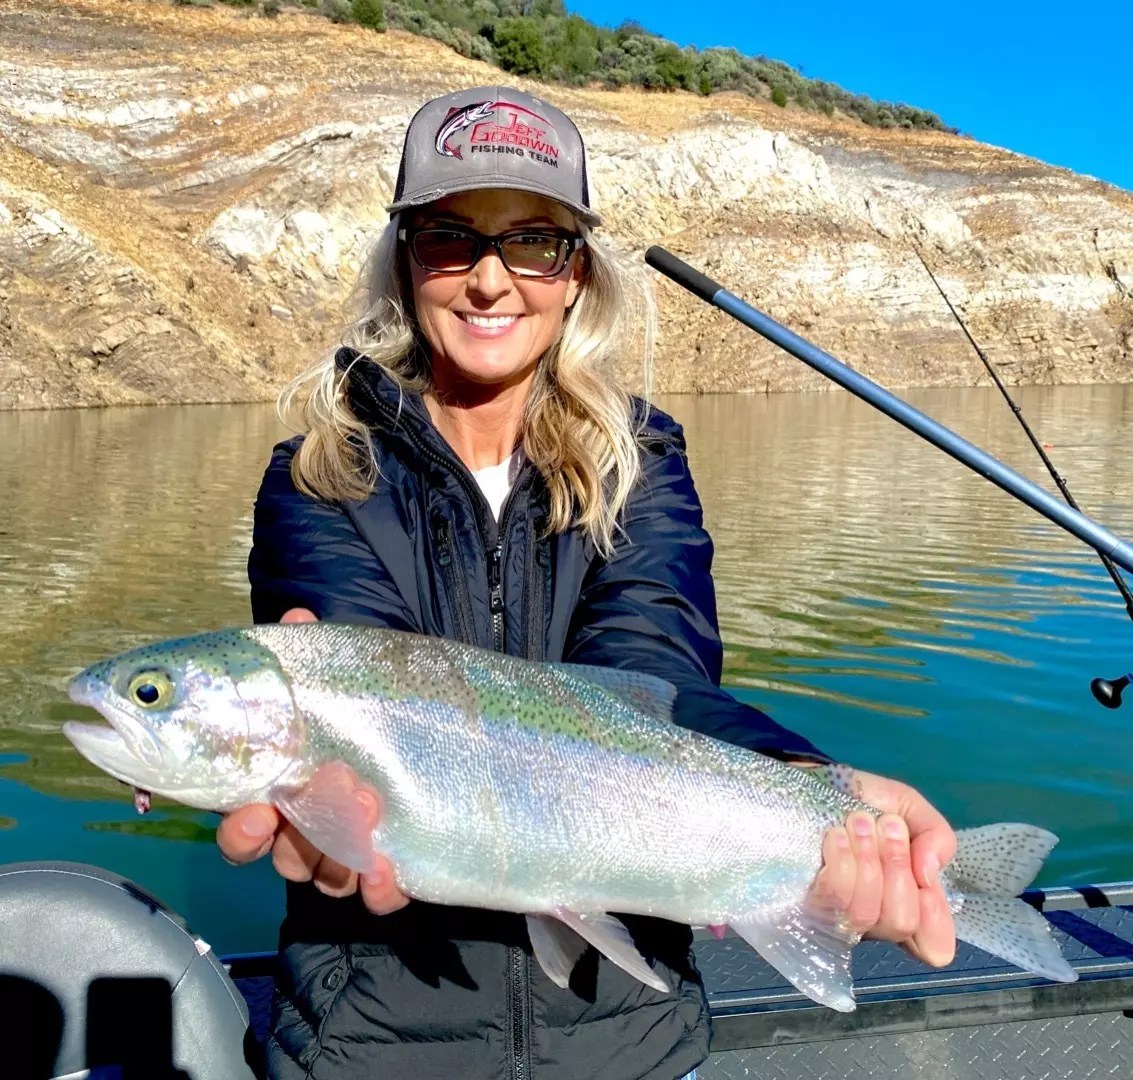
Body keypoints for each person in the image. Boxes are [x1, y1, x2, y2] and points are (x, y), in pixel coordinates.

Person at [218, 86, 957, 1080]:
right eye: (448, 238)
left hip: (626, 1035)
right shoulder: (316, 469)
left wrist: (798, 783)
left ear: (575, 274)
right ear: (403, 260)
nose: (489, 280)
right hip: (375, 1036)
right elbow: (367, 672)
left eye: (533, 242)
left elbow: (653, 667)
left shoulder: (640, 460)